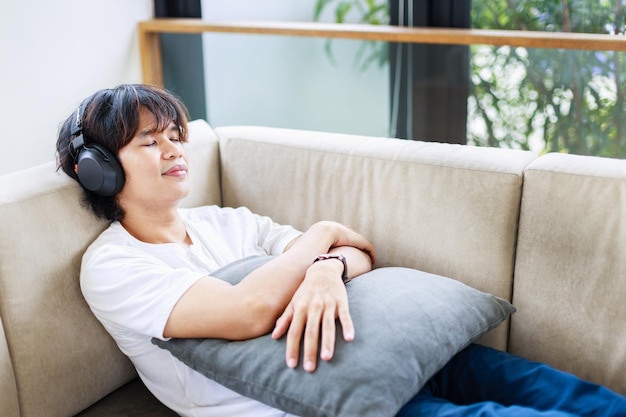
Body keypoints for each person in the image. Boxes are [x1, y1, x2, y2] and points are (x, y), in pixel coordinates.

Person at [57, 84, 626, 417]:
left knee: (555, 390)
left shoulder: (224, 222)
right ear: (99, 171)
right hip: (327, 399)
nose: (174, 151)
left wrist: (328, 267)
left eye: (176, 136)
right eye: (149, 142)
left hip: (393, 350)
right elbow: (248, 312)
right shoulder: (113, 266)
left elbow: (360, 253)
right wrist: (324, 233)